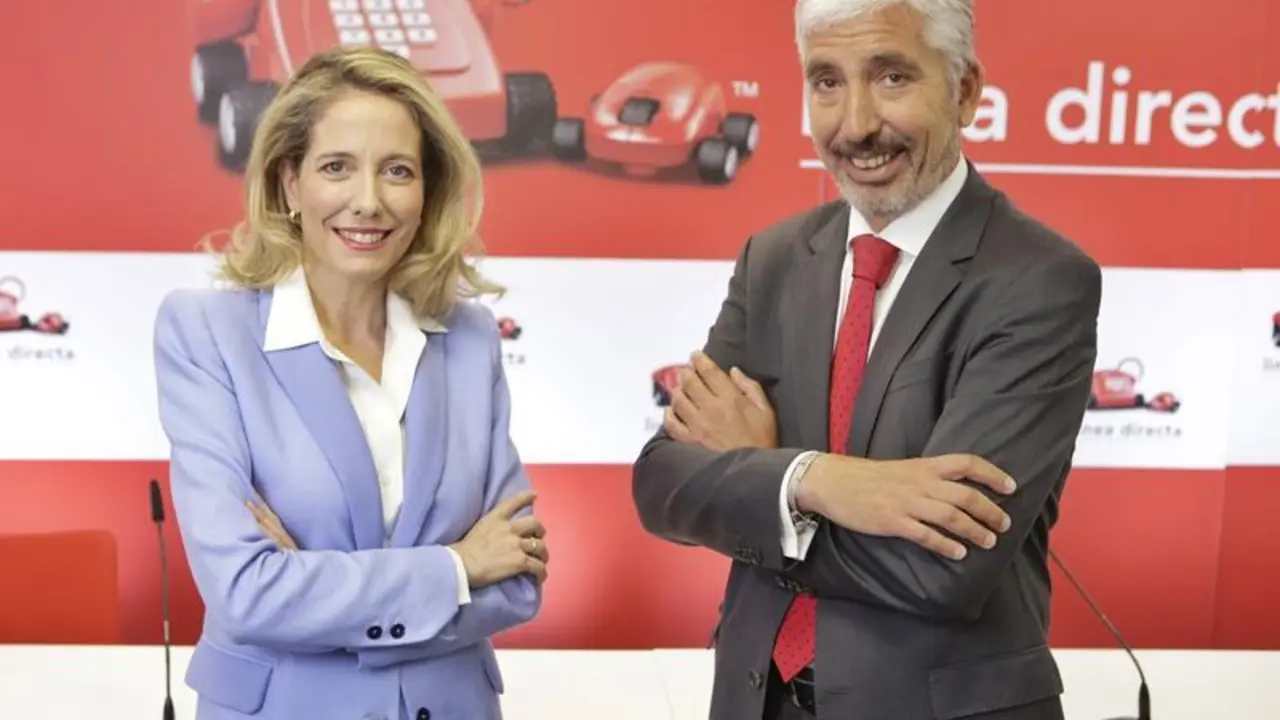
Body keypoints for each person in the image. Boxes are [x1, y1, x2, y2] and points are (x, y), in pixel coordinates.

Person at [631, 1, 1102, 719]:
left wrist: (763, 484)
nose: (855, 125)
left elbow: (942, 566)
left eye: (891, 78)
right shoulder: (774, 259)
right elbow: (663, 485)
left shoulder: (1039, 280)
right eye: (827, 81)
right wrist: (817, 480)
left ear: (965, 91)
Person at [153, 46, 548, 720]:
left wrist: (314, 587)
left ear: (427, 191)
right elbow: (246, 591)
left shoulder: (470, 337)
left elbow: (516, 581)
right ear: (289, 183)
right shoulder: (207, 333)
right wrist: (456, 568)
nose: (368, 201)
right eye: (336, 167)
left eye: (397, 171)